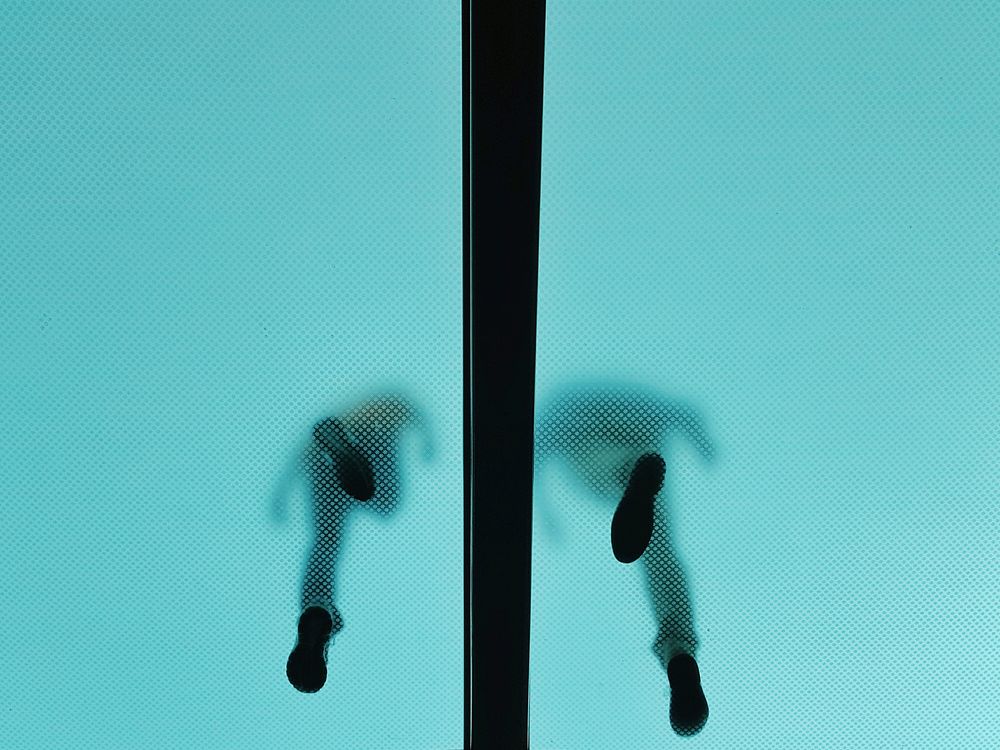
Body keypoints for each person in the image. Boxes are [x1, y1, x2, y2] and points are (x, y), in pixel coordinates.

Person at [534, 383, 713, 736]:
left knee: (609, 469)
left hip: (585, 439)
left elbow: (535, 446)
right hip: (640, 436)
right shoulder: (641, 400)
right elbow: (680, 411)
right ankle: (678, 651)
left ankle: (626, 472)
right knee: (661, 557)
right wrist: (702, 441)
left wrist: (542, 508)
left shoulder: (570, 404)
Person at [271, 393, 430, 693]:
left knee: (326, 542)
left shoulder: (368, 409)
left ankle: (319, 606)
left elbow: (298, 456)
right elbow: (411, 408)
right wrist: (426, 437)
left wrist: (282, 492)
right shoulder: (380, 410)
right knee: (385, 501)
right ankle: (352, 456)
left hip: (321, 466)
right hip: (365, 448)